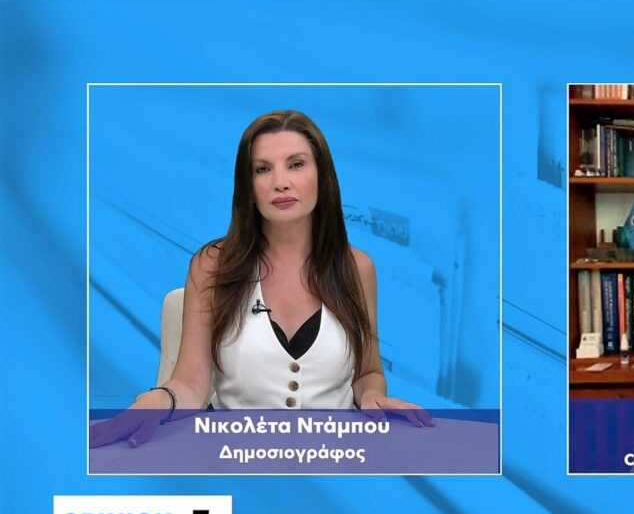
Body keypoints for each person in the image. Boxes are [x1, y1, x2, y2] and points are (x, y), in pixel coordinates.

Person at [91, 110, 432, 449]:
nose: (280, 182)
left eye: (296, 164)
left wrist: (372, 395)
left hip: (332, 456)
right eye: (262, 169)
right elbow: (191, 385)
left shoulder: (357, 268)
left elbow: (368, 372)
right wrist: (157, 400)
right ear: (248, 187)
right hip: (235, 456)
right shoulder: (212, 265)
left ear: (322, 176)